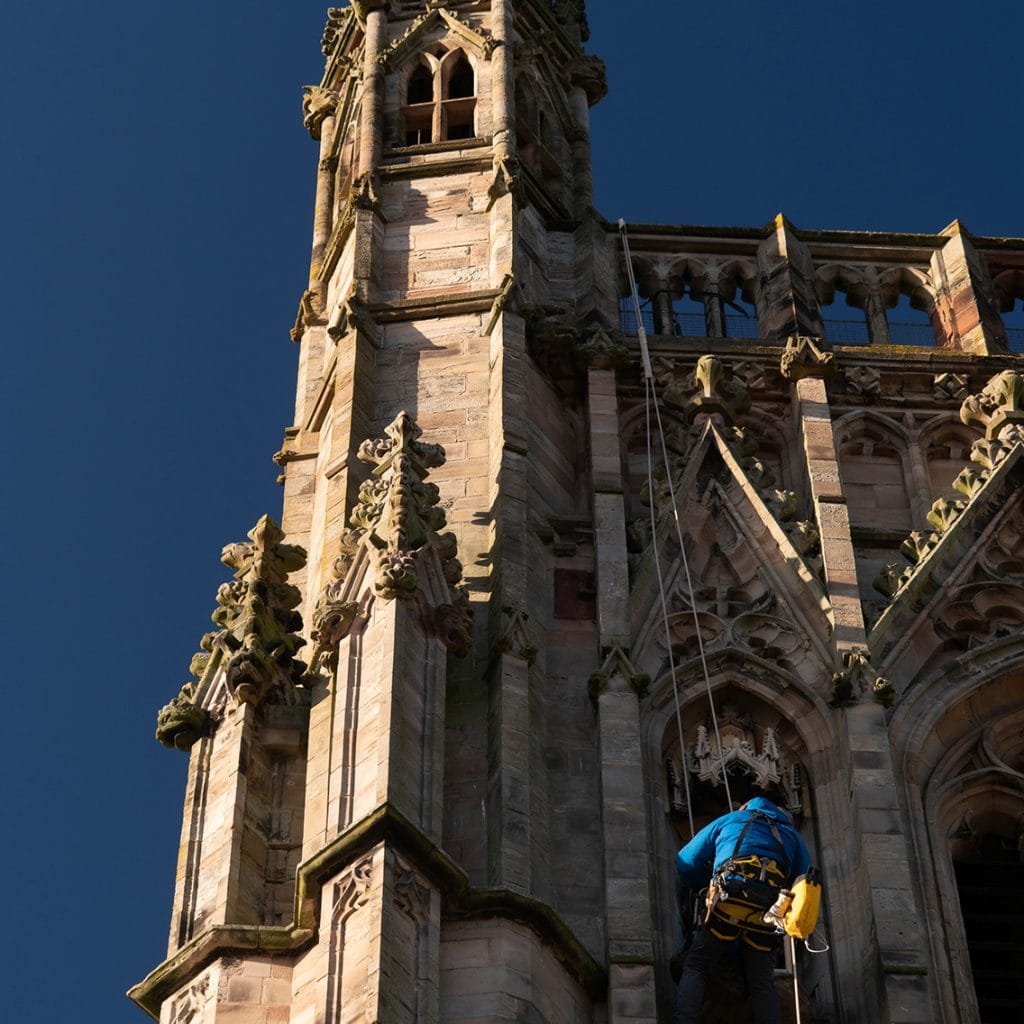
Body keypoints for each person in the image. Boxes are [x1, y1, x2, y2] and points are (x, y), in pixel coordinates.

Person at [673, 796, 811, 1024]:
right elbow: (804, 880)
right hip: (767, 914)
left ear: (746, 808)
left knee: (696, 965)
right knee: (762, 982)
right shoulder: (792, 835)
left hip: (727, 904)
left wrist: (703, 886)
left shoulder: (730, 820)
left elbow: (685, 862)